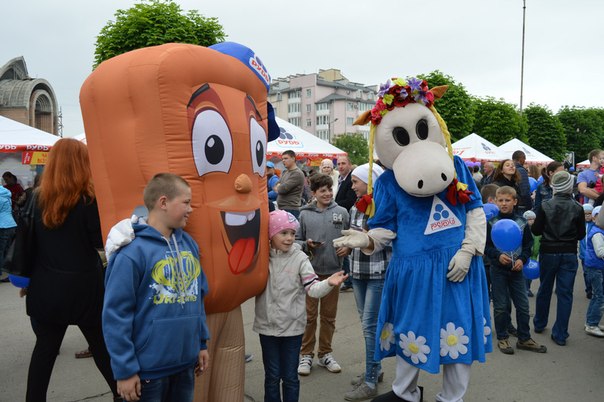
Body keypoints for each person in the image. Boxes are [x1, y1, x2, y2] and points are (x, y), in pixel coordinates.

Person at [22, 138, 118, 401]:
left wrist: (26, 280)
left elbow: (28, 243)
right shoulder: (88, 199)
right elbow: (101, 242)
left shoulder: (37, 198)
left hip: (45, 286)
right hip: (85, 287)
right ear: (82, 163)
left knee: (44, 350)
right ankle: (122, 395)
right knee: (101, 347)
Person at [103, 173, 210, 402]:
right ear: (163, 202)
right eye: (186, 202)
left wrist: (201, 343)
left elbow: (198, 296)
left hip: (185, 366)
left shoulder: (189, 245)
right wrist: (125, 370)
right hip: (147, 373)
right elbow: (116, 315)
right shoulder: (131, 253)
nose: (191, 209)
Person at [254, 210, 347, 402]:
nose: (289, 238)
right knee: (271, 377)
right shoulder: (261, 258)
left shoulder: (300, 258)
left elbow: (312, 288)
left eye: (292, 233)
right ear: (270, 234)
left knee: (290, 377)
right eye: (283, 233)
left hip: (293, 329)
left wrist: (328, 283)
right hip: (267, 328)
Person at [339, 163, 391, 401]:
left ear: (369, 182)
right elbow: (354, 236)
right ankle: (375, 369)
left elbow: (388, 240)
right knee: (365, 324)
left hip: (377, 273)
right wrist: (347, 247)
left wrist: (365, 239)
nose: (352, 186)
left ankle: (370, 380)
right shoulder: (356, 207)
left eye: (355, 181)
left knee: (370, 326)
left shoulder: (382, 207)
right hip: (358, 271)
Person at [296, 173, 350, 376]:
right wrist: (306, 244)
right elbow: (296, 240)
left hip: (334, 273)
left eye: (330, 189)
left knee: (328, 317)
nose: (327, 194)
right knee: (309, 317)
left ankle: (325, 353)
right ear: (313, 193)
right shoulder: (304, 214)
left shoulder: (342, 212)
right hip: (310, 273)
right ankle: (306, 354)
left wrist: (348, 248)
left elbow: (349, 237)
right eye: (322, 191)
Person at [485, 186, 546, 355]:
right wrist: (497, 256)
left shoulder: (522, 222)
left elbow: (528, 245)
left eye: (507, 200)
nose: (504, 203)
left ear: (515, 201)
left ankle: (524, 338)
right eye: (500, 200)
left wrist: (522, 259)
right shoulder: (491, 223)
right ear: (495, 202)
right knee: (500, 306)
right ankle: (502, 337)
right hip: (498, 270)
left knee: (523, 306)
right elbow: (486, 246)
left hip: (517, 271)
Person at [531, 170, 586, 346]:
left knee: (544, 288)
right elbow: (581, 234)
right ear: (570, 186)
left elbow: (536, 231)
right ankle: (560, 333)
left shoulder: (545, 205)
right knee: (565, 293)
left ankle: (539, 323)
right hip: (569, 252)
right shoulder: (577, 207)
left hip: (548, 251)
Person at [334, 155, 357, 291]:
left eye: (343, 163)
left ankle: (348, 280)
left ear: (349, 164)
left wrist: (333, 205)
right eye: (338, 164)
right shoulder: (340, 178)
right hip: (341, 215)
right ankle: (348, 278)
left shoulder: (351, 180)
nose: (340, 166)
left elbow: (349, 201)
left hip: (347, 216)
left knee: (345, 247)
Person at [582, 210, 604, 337]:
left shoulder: (599, 231)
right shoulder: (597, 233)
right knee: (599, 296)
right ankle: (592, 324)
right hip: (595, 268)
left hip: (597, 267)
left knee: (597, 296)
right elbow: (600, 252)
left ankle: (591, 321)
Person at [275, 150, 305, 218]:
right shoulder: (285, 172)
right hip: (282, 207)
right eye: (282, 159)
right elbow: (275, 186)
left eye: (286, 158)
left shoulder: (297, 173)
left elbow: (282, 189)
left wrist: (279, 186)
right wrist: (279, 186)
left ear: (293, 158)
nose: (283, 161)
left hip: (291, 208)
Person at [0, 186, 17, 281]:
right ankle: (8, 272)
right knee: (7, 250)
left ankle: (2, 273)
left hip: (3, 226)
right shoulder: (6, 195)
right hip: (11, 224)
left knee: (1, 250)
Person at [579, 204, 595, 299]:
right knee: (586, 273)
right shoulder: (580, 225)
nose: (587, 216)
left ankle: (594, 288)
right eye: (585, 214)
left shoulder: (595, 225)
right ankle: (588, 290)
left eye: (589, 214)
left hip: (593, 254)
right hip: (584, 254)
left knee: (594, 273)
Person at [523, 210, 539, 297]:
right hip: (526, 256)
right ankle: (525, 289)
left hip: (534, 256)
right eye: (529, 219)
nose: (531, 221)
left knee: (530, 275)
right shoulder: (523, 230)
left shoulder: (537, 231)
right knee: (525, 274)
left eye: (533, 219)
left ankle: (528, 287)